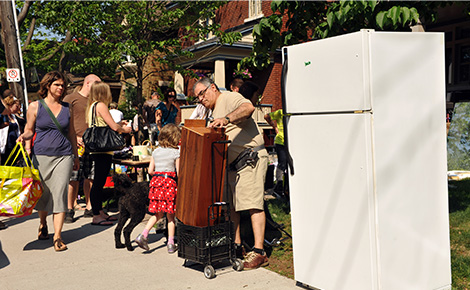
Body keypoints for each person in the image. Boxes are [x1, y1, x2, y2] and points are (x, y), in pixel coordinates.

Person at [193, 77, 269, 270]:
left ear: (212, 87)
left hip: (250, 157)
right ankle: (236, 247)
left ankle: (259, 252)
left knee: (253, 204)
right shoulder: (211, 110)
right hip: (233, 164)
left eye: (202, 93)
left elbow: (248, 108)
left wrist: (226, 119)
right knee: (231, 207)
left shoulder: (228, 97)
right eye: (197, 98)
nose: (201, 99)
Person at [17, 71, 80, 252]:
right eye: (56, 85)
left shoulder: (68, 108)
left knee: (59, 193)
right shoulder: (35, 106)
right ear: (47, 86)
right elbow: (30, 129)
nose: (60, 88)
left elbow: (72, 134)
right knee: (43, 194)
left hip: (64, 156)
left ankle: (58, 236)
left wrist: (75, 156)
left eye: (62, 85)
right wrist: (24, 136)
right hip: (42, 155)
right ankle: (43, 223)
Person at [86, 81, 131, 226]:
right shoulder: (101, 105)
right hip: (103, 150)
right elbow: (113, 127)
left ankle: (99, 212)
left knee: (98, 181)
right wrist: (126, 129)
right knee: (99, 182)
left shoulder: (91, 106)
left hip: (95, 148)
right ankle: (96, 215)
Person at [135, 123, 180, 253]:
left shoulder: (156, 151)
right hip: (169, 184)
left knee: (158, 213)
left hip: (156, 184)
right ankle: (171, 243)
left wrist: (159, 175)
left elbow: (150, 171)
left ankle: (143, 235)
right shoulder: (175, 152)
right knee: (171, 215)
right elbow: (179, 172)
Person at [63, 74, 101, 223]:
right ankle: (69, 208)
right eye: (97, 83)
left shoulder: (95, 101)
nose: (99, 87)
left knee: (90, 176)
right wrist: (75, 137)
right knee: (74, 177)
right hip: (75, 143)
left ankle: (89, 206)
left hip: (92, 143)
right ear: (88, 83)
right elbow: (63, 121)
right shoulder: (71, 98)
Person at [264, 109, 287, 197]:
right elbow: (266, 116)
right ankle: (279, 187)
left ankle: (284, 187)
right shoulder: (281, 112)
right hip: (281, 141)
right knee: (282, 163)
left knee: (287, 164)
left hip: (290, 141)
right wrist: (274, 127)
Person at [0, 96, 23, 164]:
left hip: (15, 145)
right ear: (10, 105)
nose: (18, 108)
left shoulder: (15, 117)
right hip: (5, 145)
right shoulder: (3, 116)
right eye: (16, 106)